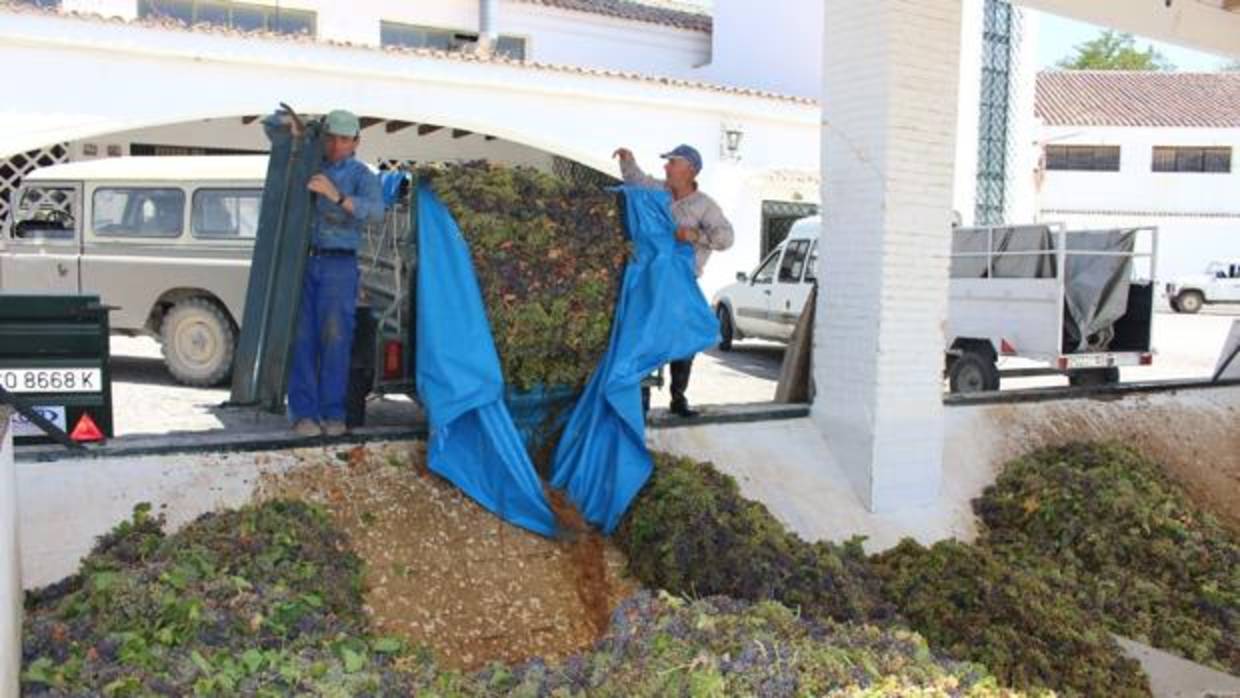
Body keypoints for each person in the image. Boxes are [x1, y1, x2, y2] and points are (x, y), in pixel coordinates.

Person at [267, 108, 383, 437]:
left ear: (356, 142)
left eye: (344, 139)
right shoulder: (308, 163)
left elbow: (375, 212)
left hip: (339, 264)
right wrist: (291, 126)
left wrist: (337, 196)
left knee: (336, 339)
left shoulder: (362, 175)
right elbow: (272, 124)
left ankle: (334, 413)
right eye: (330, 138)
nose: (336, 145)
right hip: (304, 260)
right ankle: (303, 413)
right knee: (301, 337)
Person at [614, 144, 734, 417]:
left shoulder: (705, 206)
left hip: (682, 286)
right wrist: (628, 161)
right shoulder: (658, 193)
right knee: (644, 339)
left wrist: (694, 236)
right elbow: (637, 181)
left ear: (690, 169)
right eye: (667, 163)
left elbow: (726, 238)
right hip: (651, 281)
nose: (666, 167)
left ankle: (678, 397)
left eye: (672, 162)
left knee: (684, 339)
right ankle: (641, 401)